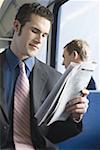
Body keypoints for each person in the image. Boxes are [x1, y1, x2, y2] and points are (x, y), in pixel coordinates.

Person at [0, 3, 89, 150]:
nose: (40, 40)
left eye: (44, 35)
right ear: (16, 26)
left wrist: (75, 116)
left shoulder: (54, 78)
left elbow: (53, 134)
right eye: (35, 31)